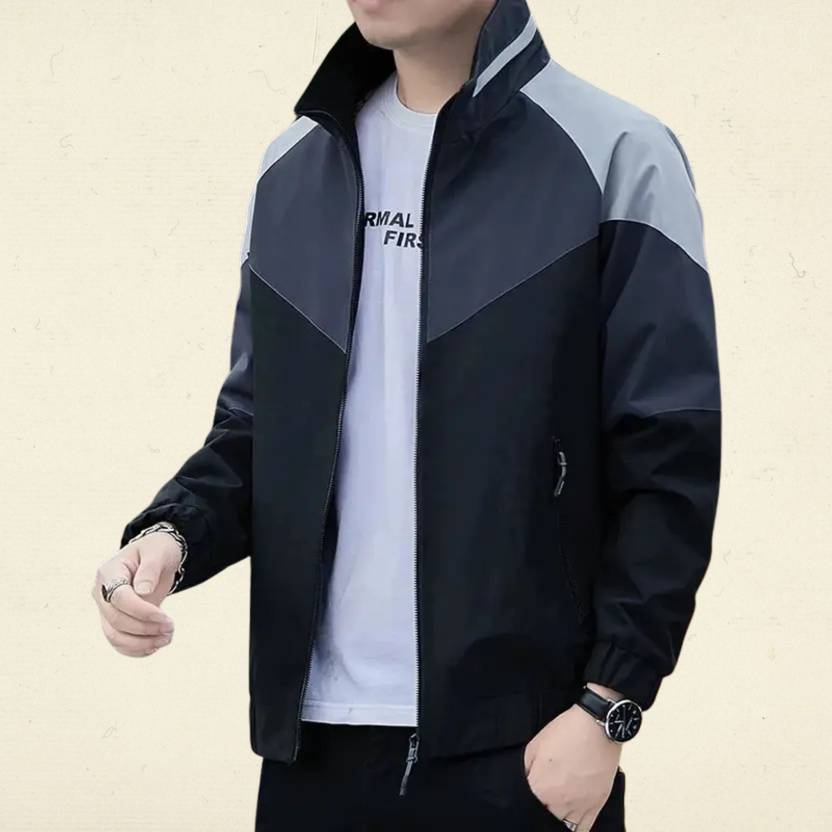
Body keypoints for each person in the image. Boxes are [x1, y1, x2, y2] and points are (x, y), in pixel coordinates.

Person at [91, 0, 721, 829]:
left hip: (527, 743)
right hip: (312, 743)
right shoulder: (294, 167)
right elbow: (260, 429)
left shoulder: (616, 153)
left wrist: (609, 702)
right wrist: (170, 537)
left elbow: (668, 450)